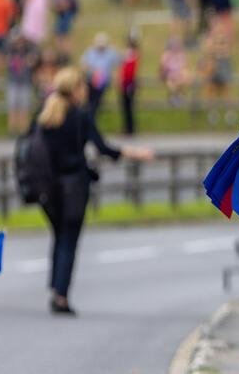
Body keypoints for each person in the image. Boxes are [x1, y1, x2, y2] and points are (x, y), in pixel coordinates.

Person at [36, 67, 153, 315]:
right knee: (69, 241)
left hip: (48, 188)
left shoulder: (45, 115)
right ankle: (61, 296)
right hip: (74, 187)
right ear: (75, 90)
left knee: (58, 238)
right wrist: (135, 153)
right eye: (82, 86)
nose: (86, 90)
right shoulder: (80, 116)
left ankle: (54, 289)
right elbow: (103, 148)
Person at [80, 32, 120, 118]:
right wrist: (93, 71)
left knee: (96, 101)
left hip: (103, 82)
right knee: (89, 101)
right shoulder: (90, 51)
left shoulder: (111, 52)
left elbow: (118, 63)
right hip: (91, 79)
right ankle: (89, 115)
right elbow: (84, 64)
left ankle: (92, 116)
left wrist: (115, 77)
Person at [120, 37, 139, 135]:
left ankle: (130, 128)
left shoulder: (132, 55)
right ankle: (127, 127)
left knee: (129, 107)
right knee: (125, 107)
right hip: (125, 83)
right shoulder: (127, 55)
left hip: (129, 83)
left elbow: (129, 71)